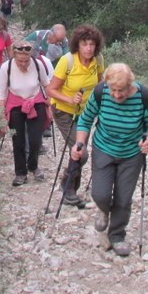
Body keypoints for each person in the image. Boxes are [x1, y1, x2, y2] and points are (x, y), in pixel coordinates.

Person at [69, 63, 148, 257]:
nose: (117, 95)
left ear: (131, 86)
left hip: (131, 154)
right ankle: (103, 211)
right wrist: (79, 144)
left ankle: (117, 235)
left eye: (122, 91)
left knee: (124, 197)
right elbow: (85, 120)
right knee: (100, 194)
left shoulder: (142, 96)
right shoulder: (100, 93)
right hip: (104, 148)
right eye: (113, 90)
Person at [45, 23, 105, 206]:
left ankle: (71, 190)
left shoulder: (98, 60)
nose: (88, 48)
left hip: (85, 114)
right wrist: (69, 100)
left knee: (78, 152)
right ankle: (67, 184)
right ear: (77, 45)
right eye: (84, 44)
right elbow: (50, 90)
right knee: (82, 152)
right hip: (64, 112)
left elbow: (100, 83)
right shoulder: (67, 61)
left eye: (92, 44)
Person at [0, 40, 52, 186]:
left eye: (26, 60)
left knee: (35, 140)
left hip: (36, 102)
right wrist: (2, 116)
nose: (23, 63)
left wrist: (51, 103)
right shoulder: (5, 68)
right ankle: (20, 173)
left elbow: (47, 85)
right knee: (17, 139)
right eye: (20, 60)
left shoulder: (37, 64)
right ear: (14, 56)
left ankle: (33, 166)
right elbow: (1, 94)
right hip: (15, 105)